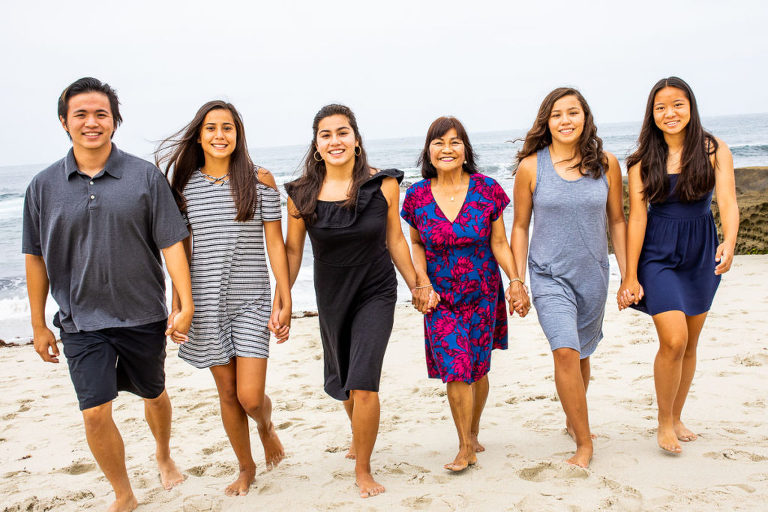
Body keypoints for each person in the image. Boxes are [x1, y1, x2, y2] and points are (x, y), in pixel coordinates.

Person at [22, 77, 191, 512]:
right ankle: (124, 493)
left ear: (115, 122)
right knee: (95, 411)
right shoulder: (42, 187)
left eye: (101, 114)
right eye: (81, 114)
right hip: (81, 321)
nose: (91, 122)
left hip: (141, 315)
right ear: (64, 122)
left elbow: (171, 243)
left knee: (154, 394)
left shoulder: (144, 176)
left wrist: (184, 303)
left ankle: (163, 454)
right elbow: (36, 258)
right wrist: (39, 323)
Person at [281, 104, 434, 499]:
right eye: (327, 135)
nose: (336, 141)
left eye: (343, 132)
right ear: (317, 145)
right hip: (331, 296)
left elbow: (396, 240)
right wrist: (281, 300)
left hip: (375, 291)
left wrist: (417, 285)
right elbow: (293, 253)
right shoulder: (300, 195)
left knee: (364, 382)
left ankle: (363, 468)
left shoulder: (383, 185)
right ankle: (357, 433)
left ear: (356, 139)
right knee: (345, 383)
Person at [156, 100, 291, 496]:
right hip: (206, 300)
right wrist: (179, 303)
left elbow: (275, 244)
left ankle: (265, 425)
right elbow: (178, 250)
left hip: (251, 299)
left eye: (228, 128)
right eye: (211, 128)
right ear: (199, 135)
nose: (220, 135)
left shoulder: (258, 179)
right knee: (228, 393)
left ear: (238, 134)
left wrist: (283, 295)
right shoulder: (183, 187)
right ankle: (246, 468)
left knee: (250, 396)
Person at [400, 116, 530, 472]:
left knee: (478, 367)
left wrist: (516, 280)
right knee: (457, 369)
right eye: (439, 142)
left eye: (455, 142)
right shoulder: (415, 196)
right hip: (439, 298)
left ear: (465, 149)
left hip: (482, 293)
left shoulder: (487, 189)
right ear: (429, 151)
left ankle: (472, 431)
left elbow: (499, 242)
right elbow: (415, 244)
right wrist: (421, 282)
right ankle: (463, 447)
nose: (447, 149)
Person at [618, 77, 739, 454]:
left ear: (691, 107)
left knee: (690, 344)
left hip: (701, 251)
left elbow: (729, 202)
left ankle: (677, 414)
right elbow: (636, 219)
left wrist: (731, 242)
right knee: (673, 340)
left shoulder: (715, 149)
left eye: (677, 105)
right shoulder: (640, 161)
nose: (670, 113)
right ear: (651, 114)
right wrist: (631, 274)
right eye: (661, 107)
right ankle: (663, 422)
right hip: (659, 254)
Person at [510, 88, 627, 468]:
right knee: (564, 351)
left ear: (585, 117)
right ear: (547, 121)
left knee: (582, 355)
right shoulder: (532, 167)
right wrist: (518, 279)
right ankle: (584, 442)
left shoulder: (606, 164)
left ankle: (572, 417)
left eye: (572, 113)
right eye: (557, 114)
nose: (565, 120)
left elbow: (617, 221)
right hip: (549, 276)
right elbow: (521, 226)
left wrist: (629, 276)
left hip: (593, 274)